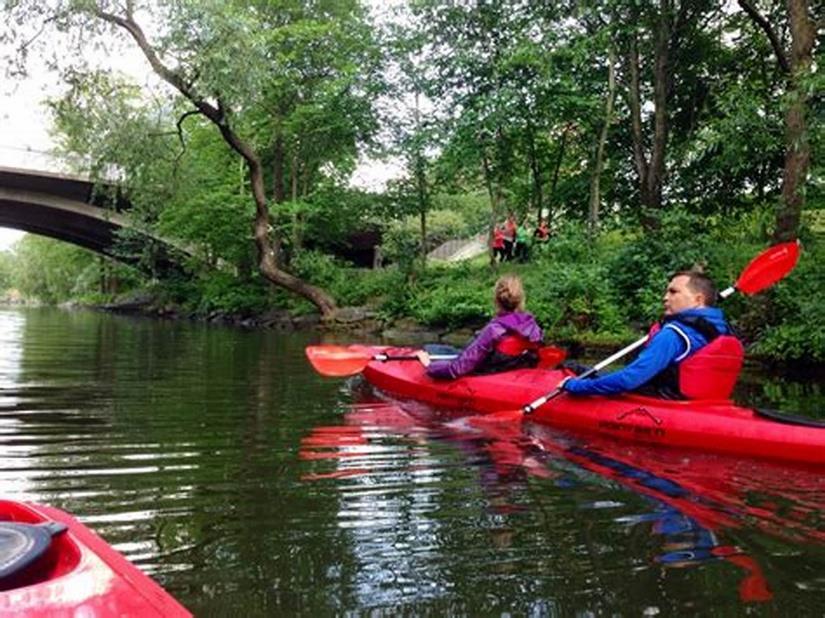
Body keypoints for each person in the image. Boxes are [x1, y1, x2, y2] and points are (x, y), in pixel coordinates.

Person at [560, 270, 744, 399]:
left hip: (664, 403)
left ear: (698, 299)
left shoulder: (673, 335)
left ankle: (572, 375)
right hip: (703, 403)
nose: (665, 297)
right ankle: (576, 370)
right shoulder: (722, 329)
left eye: (673, 292)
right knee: (584, 370)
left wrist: (575, 387)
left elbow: (629, 380)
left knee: (590, 377)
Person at [417, 275, 543, 380]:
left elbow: (457, 369)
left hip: (488, 374)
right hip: (512, 371)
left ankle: (427, 352)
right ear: (521, 300)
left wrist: (428, 365)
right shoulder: (532, 327)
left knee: (428, 349)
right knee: (438, 349)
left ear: (496, 300)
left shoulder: (493, 330)